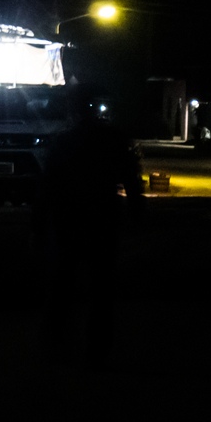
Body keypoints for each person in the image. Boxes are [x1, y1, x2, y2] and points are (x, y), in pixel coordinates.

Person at [32, 88, 145, 368]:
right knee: (102, 287)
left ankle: (57, 343)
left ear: (74, 110)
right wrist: (137, 212)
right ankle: (97, 348)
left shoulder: (63, 141)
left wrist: (38, 221)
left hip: (69, 218)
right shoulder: (113, 139)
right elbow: (131, 178)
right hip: (103, 218)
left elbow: (48, 184)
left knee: (63, 283)